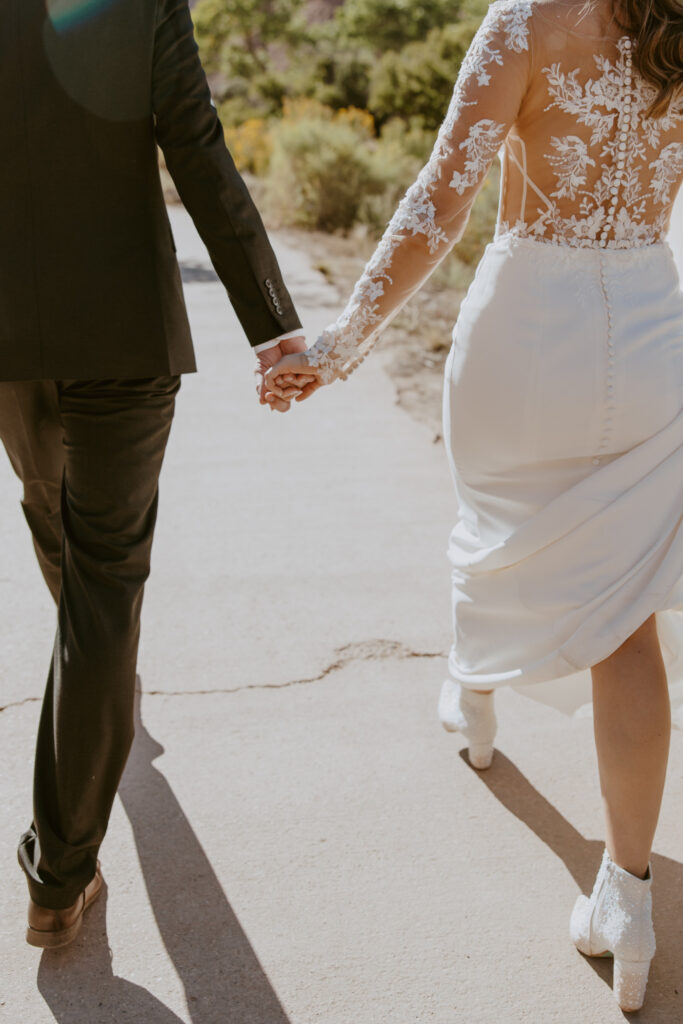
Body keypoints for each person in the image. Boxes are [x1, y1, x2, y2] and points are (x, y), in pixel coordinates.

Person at [266, 0, 683, 1011]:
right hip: (649, 331)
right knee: (623, 621)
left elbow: (436, 204)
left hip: (525, 336)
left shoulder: (527, 20)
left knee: (488, 521)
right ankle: (625, 894)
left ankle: (475, 700)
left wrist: (337, 346)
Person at [1, 0, 306, 948]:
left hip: (10, 336)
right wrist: (273, 322)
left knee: (65, 532)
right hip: (125, 331)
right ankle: (59, 875)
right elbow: (198, 147)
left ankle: (89, 735)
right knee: (102, 578)